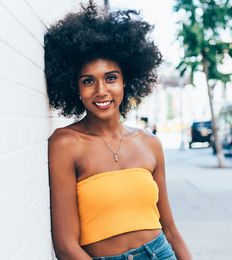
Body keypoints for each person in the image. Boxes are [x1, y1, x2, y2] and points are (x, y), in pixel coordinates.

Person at [44, 2, 192, 260]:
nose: (101, 90)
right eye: (88, 81)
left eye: (111, 78)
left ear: (126, 81)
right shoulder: (66, 143)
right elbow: (66, 247)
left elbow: (170, 230)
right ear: (75, 88)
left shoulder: (150, 143)